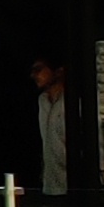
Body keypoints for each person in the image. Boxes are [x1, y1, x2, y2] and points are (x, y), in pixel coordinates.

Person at [29, 54, 70, 195]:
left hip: (70, 186)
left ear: (58, 71)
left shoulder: (70, 102)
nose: (34, 75)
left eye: (39, 70)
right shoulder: (43, 101)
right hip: (50, 185)